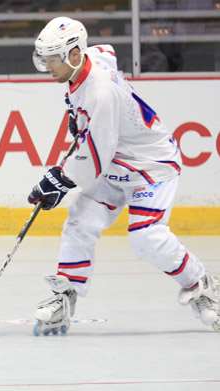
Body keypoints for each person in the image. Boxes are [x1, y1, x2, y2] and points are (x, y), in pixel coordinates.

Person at [29, 17, 218, 335]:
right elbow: (105, 50)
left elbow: (93, 161)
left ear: (74, 55)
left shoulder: (101, 94)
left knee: (147, 237)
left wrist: (57, 181)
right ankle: (65, 296)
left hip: (150, 167)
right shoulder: (90, 61)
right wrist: (77, 117)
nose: (48, 66)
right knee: (80, 222)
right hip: (118, 165)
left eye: (52, 59)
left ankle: (201, 286)